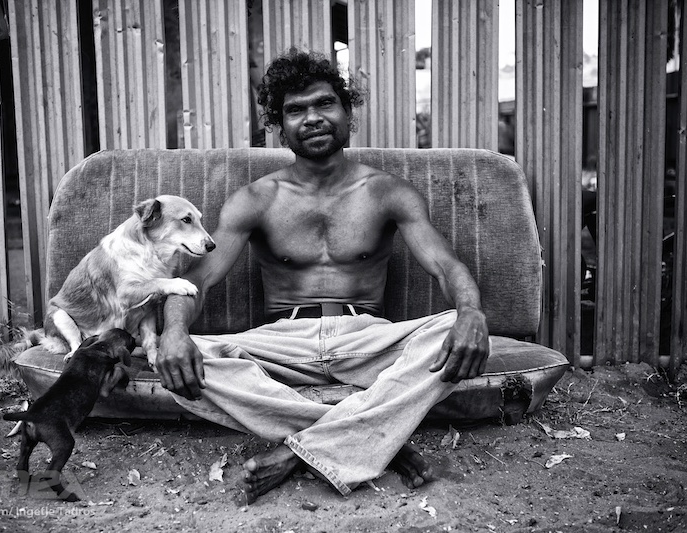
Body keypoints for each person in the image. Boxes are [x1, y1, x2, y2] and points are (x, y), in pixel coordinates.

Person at [156, 49, 490, 503]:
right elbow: (198, 282)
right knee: (176, 354)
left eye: (324, 104)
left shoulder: (388, 191)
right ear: (279, 126)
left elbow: (445, 266)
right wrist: (175, 331)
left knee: (452, 329)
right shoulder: (255, 199)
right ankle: (374, 440)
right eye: (296, 110)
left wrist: (470, 312)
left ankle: (298, 451)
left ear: (348, 113)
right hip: (281, 340)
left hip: (368, 338)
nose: (312, 118)